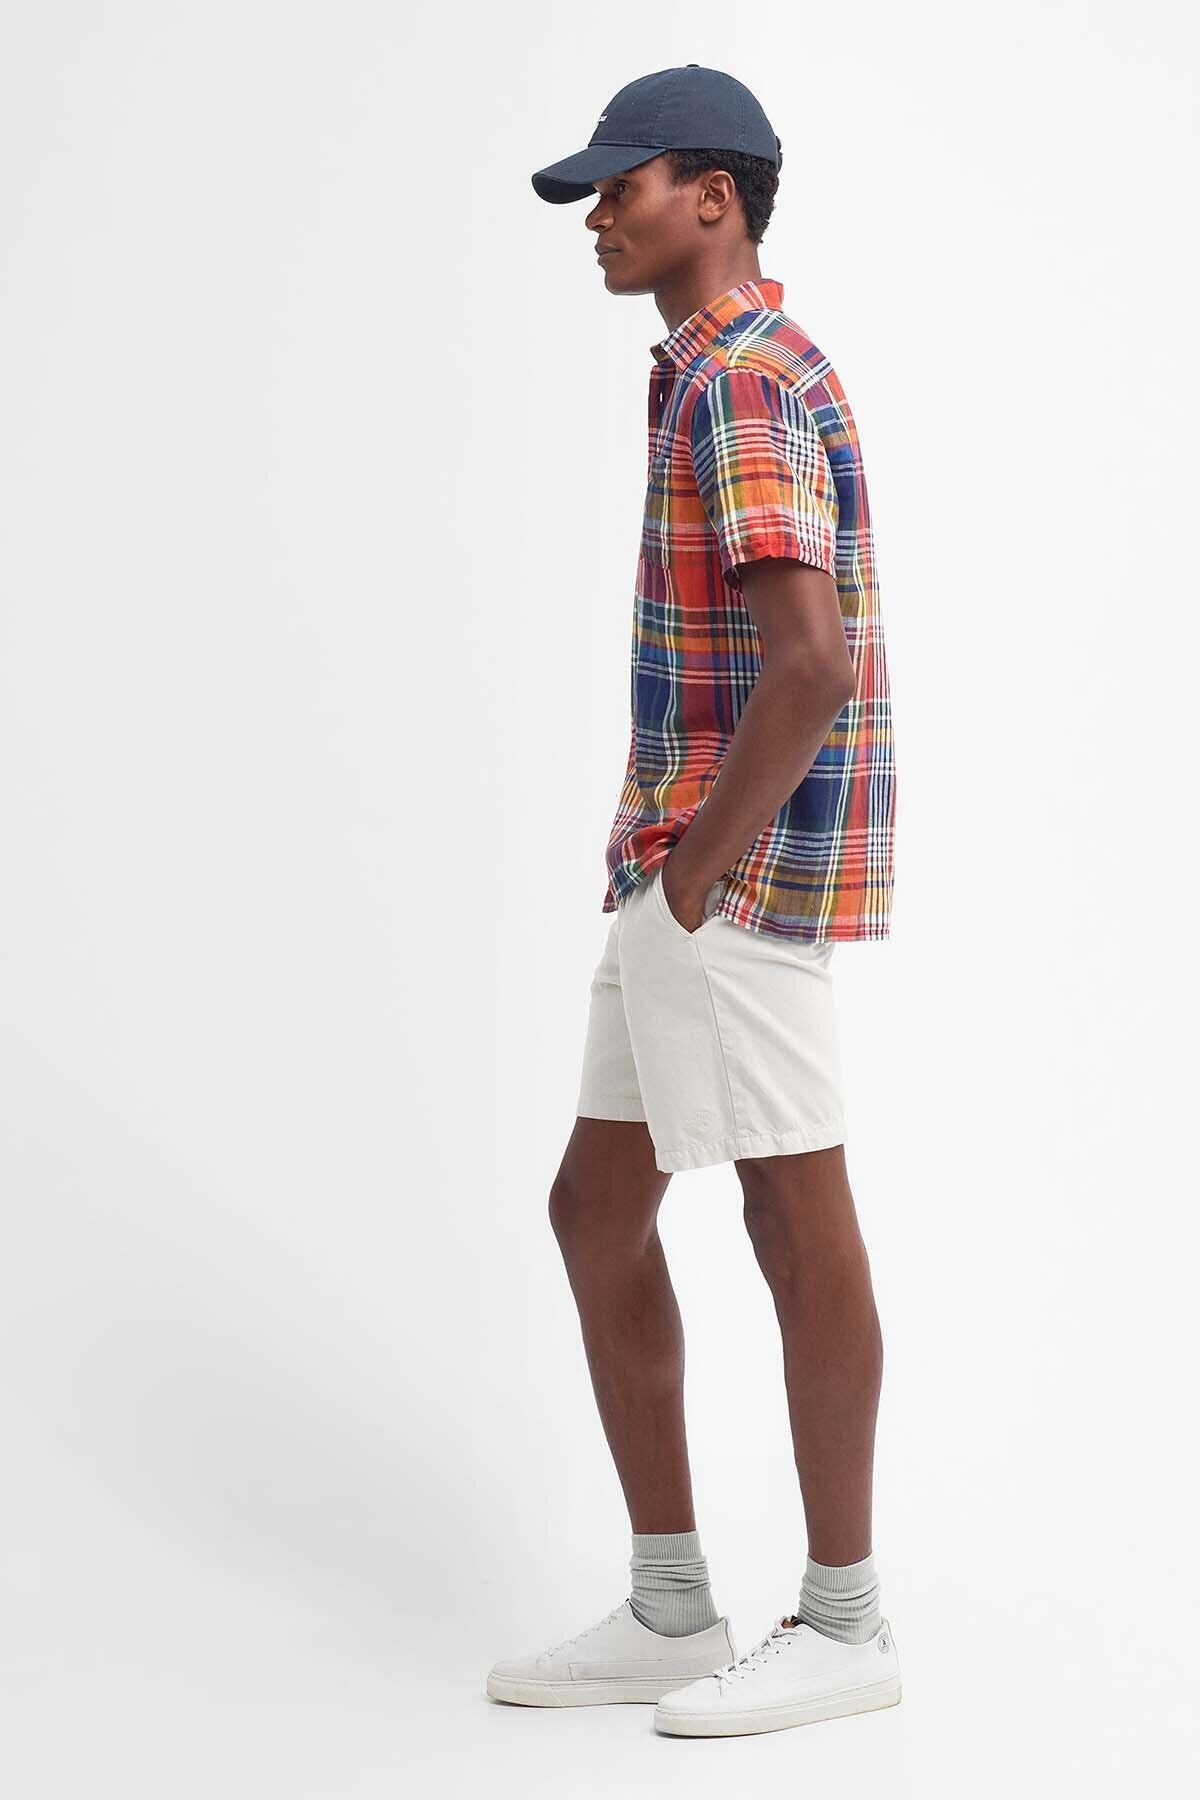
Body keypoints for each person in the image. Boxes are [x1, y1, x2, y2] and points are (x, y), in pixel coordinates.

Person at [486, 65, 901, 1739]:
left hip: (729, 875)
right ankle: (671, 1610)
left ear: (714, 197)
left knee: (794, 1221)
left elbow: (809, 662)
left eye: (625, 185)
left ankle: (847, 1623)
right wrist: (668, 874)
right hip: (679, 866)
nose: (600, 216)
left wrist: (697, 873)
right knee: (598, 1212)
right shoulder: (717, 375)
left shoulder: (741, 383)